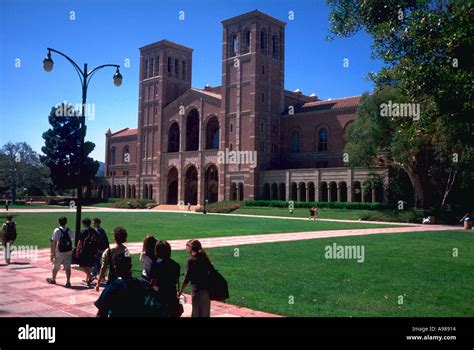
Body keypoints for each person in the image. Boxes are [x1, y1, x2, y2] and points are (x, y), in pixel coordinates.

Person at [94, 252, 166, 317]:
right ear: (130, 267)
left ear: (115, 268)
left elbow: (101, 314)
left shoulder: (111, 287)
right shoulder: (141, 284)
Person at [178, 239, 212, 317]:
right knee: (205, 314)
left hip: (196, 292)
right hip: (206, 291)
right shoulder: (205, 259)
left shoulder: (191, 261)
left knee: (196, 314)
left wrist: (180, 292)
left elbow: (186, 279)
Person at [150, 240, 182, 317]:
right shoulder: (176, 265)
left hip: (160, 298)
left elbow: (152, 282)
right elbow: (175, 281)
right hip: (172, 296)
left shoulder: (156, 265)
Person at [95, 227, 130, 292]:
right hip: (124, 280)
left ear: (114, 237)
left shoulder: (109, 251)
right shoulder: (126, 250)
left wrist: (98, 282)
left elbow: (103, 268)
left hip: (112, 279)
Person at [46, 217, 74, 287]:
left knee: (56, 266)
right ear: (66, 222)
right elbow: (72, 239)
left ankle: (53, 279)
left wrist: (52, 253)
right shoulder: (69, 230)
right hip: (68, 250)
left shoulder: (57, 230)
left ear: (59, 222)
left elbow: (54, 242)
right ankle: (68, 281)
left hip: (59, 251)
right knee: (68, 267)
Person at [76, 218, 99, 286]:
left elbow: (80, 242)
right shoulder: (93, 230)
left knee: (82, 264)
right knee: (89, 264)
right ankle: (88, 279)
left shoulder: (83, 231)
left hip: (85, 250)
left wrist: (77, 251)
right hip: (92, 250)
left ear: (84, 223)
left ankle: (90, 275)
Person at [90, 218, 110, 282]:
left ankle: (100, 276)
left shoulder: (97, 231)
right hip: (103, 248)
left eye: (94, 223)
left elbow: (96, 240)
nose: (93, 224)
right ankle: (94, 275)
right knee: (97, 262)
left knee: (97, 262)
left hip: (99, 249)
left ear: (97, 223)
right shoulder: (102, 230)